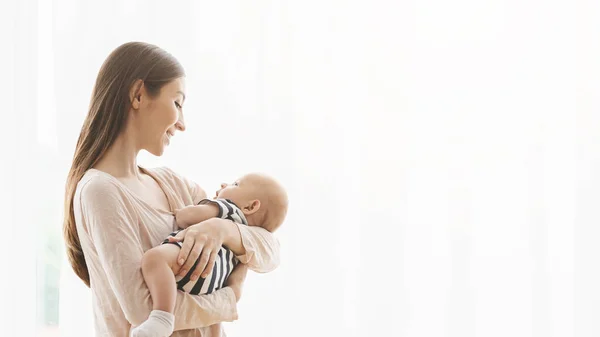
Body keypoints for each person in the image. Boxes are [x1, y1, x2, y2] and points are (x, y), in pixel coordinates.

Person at [63, 41, 281, 337]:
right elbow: (144, 311)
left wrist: (223, 230)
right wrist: (231, 297)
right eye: (177, 103)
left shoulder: (173, 184)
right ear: (138, 95)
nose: (182, 124)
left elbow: (269, 250)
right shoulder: (99, 191)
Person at [133, 173, 288, 337]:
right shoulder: (242, 242)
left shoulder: (228, 208)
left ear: (250, 207)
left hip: (194, 263)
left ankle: (162, 318)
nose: (223, 184)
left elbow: (187, 218)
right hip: (211, 284)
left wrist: (181, 213)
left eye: (235, 184)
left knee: (154, 259)